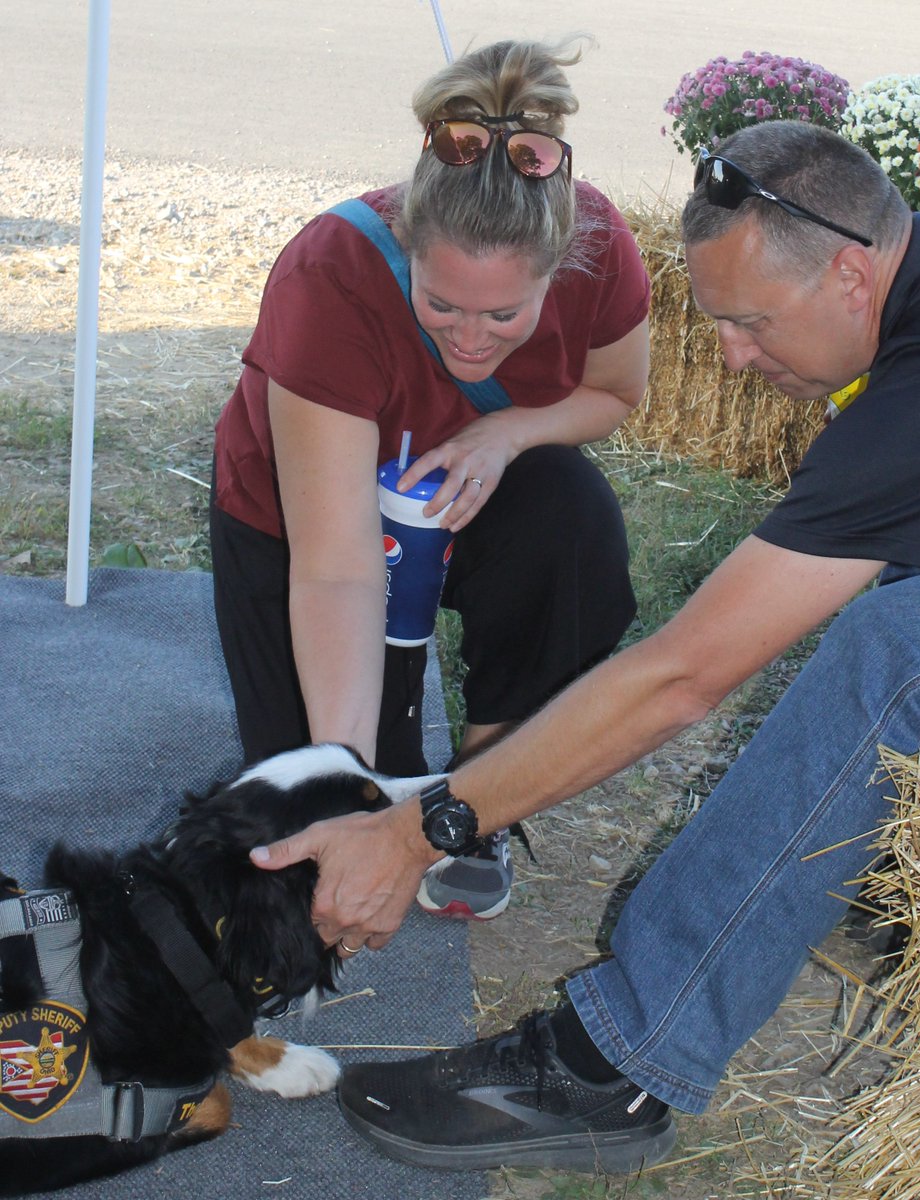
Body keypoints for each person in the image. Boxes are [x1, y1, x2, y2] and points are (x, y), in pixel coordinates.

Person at [251, 119, 920, 1174]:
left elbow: (682, 676)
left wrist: (417, 832)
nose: (735, 359)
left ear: (852, 273)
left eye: (751, 323)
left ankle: (617, 1063)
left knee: (904, 652)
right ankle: (849, 849)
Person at [209, 38, 651, 921]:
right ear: (408, 242)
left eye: (504, 313)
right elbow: (337, 571)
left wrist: (507, 431)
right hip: (300, 521)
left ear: (558, 268)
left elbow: (614, 392)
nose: (471, 339)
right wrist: (345, 782)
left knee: (572, 520)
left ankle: (477, 799)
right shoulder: (328, 276)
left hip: (468, 493)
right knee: (305, 815)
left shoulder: (602, 245)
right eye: (440, 304)